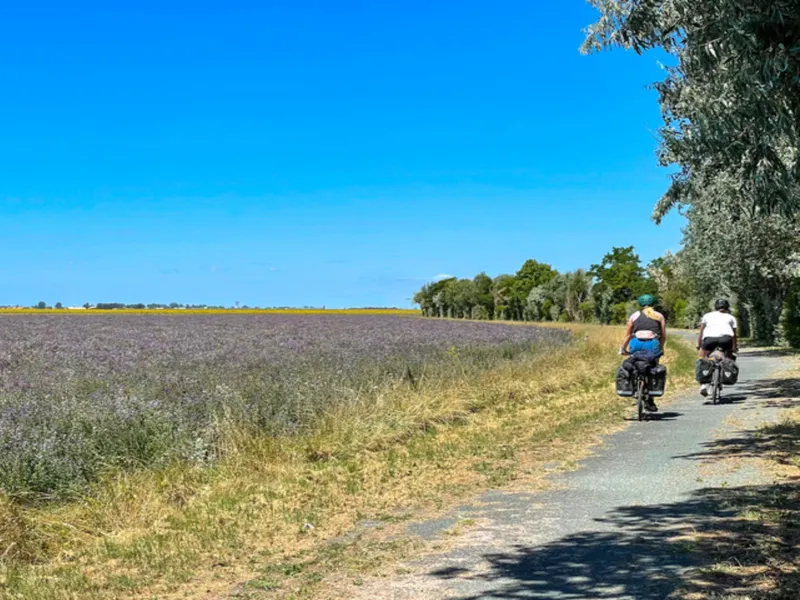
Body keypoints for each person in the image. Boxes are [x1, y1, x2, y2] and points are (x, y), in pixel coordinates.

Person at [619, 294, 667, 412]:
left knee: (634, 362)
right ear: (654, 303)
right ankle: (650, 398)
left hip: (636, 344)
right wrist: (660, 348)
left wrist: (623, 348)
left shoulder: (634, 316)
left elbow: (628, 335)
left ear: (640, 304)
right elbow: (663, 336)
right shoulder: (659, 316)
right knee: (653, 367)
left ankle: (634, 387)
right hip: (652, 344)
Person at [697, 299, 738, 396]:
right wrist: (734, 347)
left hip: (709, 339)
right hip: (725, 339)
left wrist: (699, 345)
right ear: (727, 308)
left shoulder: (707, 316)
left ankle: (703, 384)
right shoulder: (731, 317)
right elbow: (734, 335)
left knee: (702, 359)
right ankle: (725, 374)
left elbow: (701, 332)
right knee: (728, 358)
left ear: (715, 307)